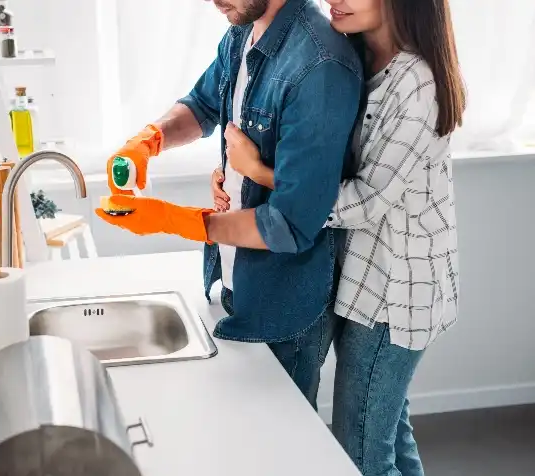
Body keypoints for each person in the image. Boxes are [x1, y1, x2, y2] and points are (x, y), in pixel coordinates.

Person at [215, 0, 465, 474]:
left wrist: (257, 172)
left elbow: (367, 200)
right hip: (361, 276)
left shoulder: (419, 84)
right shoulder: (357, 56)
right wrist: (231, 174)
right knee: (389, 432)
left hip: (395, 294)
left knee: (364, 453)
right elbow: (317, 157)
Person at [96, 0, 362, 410]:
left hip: (283, 302)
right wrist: (150, 140)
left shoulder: (320, 65)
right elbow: (202, 104)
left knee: (279, 447)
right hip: (237, 280)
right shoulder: (243, 27)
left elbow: (290, 224)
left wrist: (174, 220)